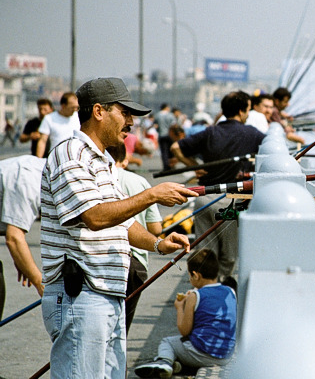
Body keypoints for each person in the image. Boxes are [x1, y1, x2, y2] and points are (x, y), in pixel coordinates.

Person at [40, 77, 198, 378]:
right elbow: (95, 216)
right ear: (98, 111)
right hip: (81, 297)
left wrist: (157, 243)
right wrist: (152, 194)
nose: (131, 123)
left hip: (108, 295)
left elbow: (121, 221)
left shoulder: (103, 162)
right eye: (124, 114)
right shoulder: (70, 154)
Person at [171, 91, 265, 278]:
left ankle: (203, 290)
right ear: (241, 110)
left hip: (203, 201)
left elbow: (175, 148)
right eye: (247, 109)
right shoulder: (252, 134)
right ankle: (219, 292)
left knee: (204, 254)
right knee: (228, 256)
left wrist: (195, 166)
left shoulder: (210, 131)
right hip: (230, 203)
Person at [134, 249, 236, 377]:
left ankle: (164, 362)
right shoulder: (230, 292)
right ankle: (178, 366)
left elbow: (184, 330)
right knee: (187, 348)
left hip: (203, 353)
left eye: (189, 276)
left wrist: (180, 307)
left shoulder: (195, 295)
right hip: (226, 355)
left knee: (169, 342)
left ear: (196, 275)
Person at [107, 143, 162, 334]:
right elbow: (156, 228)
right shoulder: (139, 182)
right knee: (121, 330)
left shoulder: (96, 178)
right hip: (134, 263)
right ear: (125, 160)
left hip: (101, 259)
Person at [0, 155, 46, 319]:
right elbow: (14, 238)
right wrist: (41, 284)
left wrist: (21, 260)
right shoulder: (30, 179)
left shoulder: (38, 169)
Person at [35, 92, 80, 158]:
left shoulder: (79, 117)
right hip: (56, 158)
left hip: (75, 157)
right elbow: (42, 141)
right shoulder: (49, 118)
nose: (75, 110)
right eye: (72, 107)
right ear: (63, 106)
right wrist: (38, 159)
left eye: (77, 107)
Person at [154, 103, 176, 171]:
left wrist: (159, 131)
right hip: (170, 135)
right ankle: (172, 164)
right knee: (171, 151)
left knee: (164, 151)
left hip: (161, 135)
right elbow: (174, 125)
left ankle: (166, 166)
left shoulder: (157, 115)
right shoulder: (170, 115)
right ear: (166, 108)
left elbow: (155, 126)